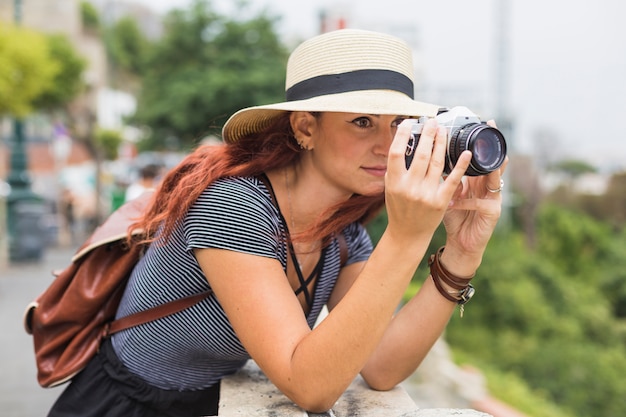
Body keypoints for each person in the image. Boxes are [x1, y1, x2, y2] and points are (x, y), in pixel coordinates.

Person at [48, 28, 506, 417]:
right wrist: (408, 237)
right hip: (123, 404)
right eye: (363, 122)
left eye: (399, 125)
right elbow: (308, 386)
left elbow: (382, 365)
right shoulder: (234, 205)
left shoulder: (342, 233)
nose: (386, 145)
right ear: (305, 128)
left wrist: (462, 255)